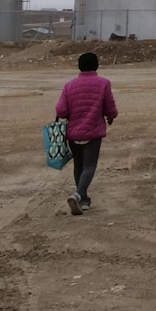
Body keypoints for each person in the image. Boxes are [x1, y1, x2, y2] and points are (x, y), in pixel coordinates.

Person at [55, 51, 118, 216]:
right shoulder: (103, 83)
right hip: (93, 131)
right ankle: (77, 194)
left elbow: (61, 110)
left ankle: (83, 200)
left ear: (79, 66)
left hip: (73, 134)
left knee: (78, 166)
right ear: (96, 65)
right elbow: (110, 108)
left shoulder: (69, 85)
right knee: (89, 166)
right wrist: (111, 116)